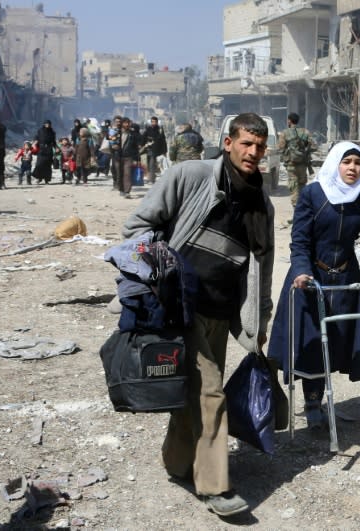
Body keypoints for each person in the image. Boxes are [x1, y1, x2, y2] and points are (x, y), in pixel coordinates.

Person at [121, 113, 275, 517]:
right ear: (228, 143)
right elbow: (138, 226)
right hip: (181, 309)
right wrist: (157, 277)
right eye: (246, 144)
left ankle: (175, 463)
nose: (253, 153)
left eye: (259, 146)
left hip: (222, 313)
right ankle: (215, 488)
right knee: (210, 394)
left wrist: (260, 317)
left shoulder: (261, 200)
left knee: (195, 393)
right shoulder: (191, 176)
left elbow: (263, 263)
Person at [267, 142, 360, 429]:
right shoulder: (314, 194)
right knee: (312, 341)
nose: (352, 168)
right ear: (335, 163)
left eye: (358, 163)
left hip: (346, 278)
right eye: (346, 162)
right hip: (311, 278)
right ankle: (312, 402)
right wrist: (301, 271)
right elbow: (300, 240)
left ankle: (323, 399)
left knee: (338, 341)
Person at [277, 112, 316, 221]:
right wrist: (305, 152)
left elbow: (280, 147)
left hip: (291, 165)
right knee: (302, 187)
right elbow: (314, 146)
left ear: (289, 120)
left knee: (294, 188)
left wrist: (286, 154)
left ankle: (297, 215)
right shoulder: (305, 132)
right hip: (303, 165)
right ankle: (304, 212)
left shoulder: (284, 133)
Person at [117, 117, 141, 198]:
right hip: (118, 157)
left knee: (127, 174)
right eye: (125, 123)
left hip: (129, 157)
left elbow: (135, 147)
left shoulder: (132, 134)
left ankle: (127, 191)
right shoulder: (117, 133)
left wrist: (137, 159)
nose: (127, 125)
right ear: (122, 124)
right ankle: (121, 189)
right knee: (120, 174)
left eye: (128, 123)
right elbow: (110, 141)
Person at [142, 116, 167, 183]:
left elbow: (163, 140)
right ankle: (150, 177)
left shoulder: (159, 130)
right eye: (152, 122)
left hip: (156, 149)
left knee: (152, 164)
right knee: (148, 164)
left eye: (155, 122)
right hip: (148, 149)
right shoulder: (148, 129)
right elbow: (143, 138)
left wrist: (164, 151)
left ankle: (151, 179)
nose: (154, 123)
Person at [32, 120, 57, 184]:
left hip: (49, 150)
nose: (47, 125)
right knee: (39, 164)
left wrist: (56, 147)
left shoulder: (52, 132)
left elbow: (53, 142)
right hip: (41, 149)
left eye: (49, 124)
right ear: (44, 124)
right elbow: (36, 137)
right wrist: (35, 141)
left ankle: (47, 179)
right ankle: (39, 178)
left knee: (47, 165)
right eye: (46, 124)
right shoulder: (40, 131)